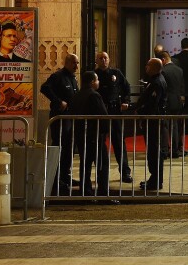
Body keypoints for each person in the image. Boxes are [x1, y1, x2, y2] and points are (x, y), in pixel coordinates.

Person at [40, 53, 79, 195]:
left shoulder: (73, 78)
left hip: (70, 118)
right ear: (67, 63)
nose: (76, 66)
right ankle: (56, 179)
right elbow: (44, 88)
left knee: (69, 149)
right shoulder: (58, 76)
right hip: (59, 118)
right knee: (60, 147)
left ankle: (65, 176)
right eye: (74, 63)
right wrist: (58, 101)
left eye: (77, 63)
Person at [94, 51, 133, 184]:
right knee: (99, 144)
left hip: (114, 110)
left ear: (109, 60)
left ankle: (125, 172)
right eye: (101, 58)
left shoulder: (116, 73)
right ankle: (101, 174)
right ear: (97, 61)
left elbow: (126, 88)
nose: (103, 60)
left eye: (105, 58)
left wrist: (126, 101)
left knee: (118, 142)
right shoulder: (94, 75)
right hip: (100, 112)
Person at [70, 70, 109, 196]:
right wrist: (105, 131)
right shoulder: (94, 95)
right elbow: (103, 115)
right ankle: (103, 193)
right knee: (102, 165)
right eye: (97, 80)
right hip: (94, 135)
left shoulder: (77, 95)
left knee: (85, 164)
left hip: (81, 135)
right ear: (92, 82)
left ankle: (85, 191)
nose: (98, 82)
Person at [137, 57, 168, 192]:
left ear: (155, 67)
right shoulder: (154, 81)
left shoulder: (157, 82)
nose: (146, 67)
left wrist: (140, 110)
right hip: (152, 120)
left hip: (153, 121)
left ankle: (156, 179)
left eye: (149, 65)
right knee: (153, 150)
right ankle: (154, 178)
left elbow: (152, 104)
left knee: (154, 151)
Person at [157, 51, 186, 158]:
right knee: (175, 126)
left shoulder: (163, 71)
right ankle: (175, 149)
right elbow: (182, 87)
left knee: (165, 126)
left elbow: (163, 87)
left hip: (167, 101)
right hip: (177, 100)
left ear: (163, 60)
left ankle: (165, 149)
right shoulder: (179, 70)